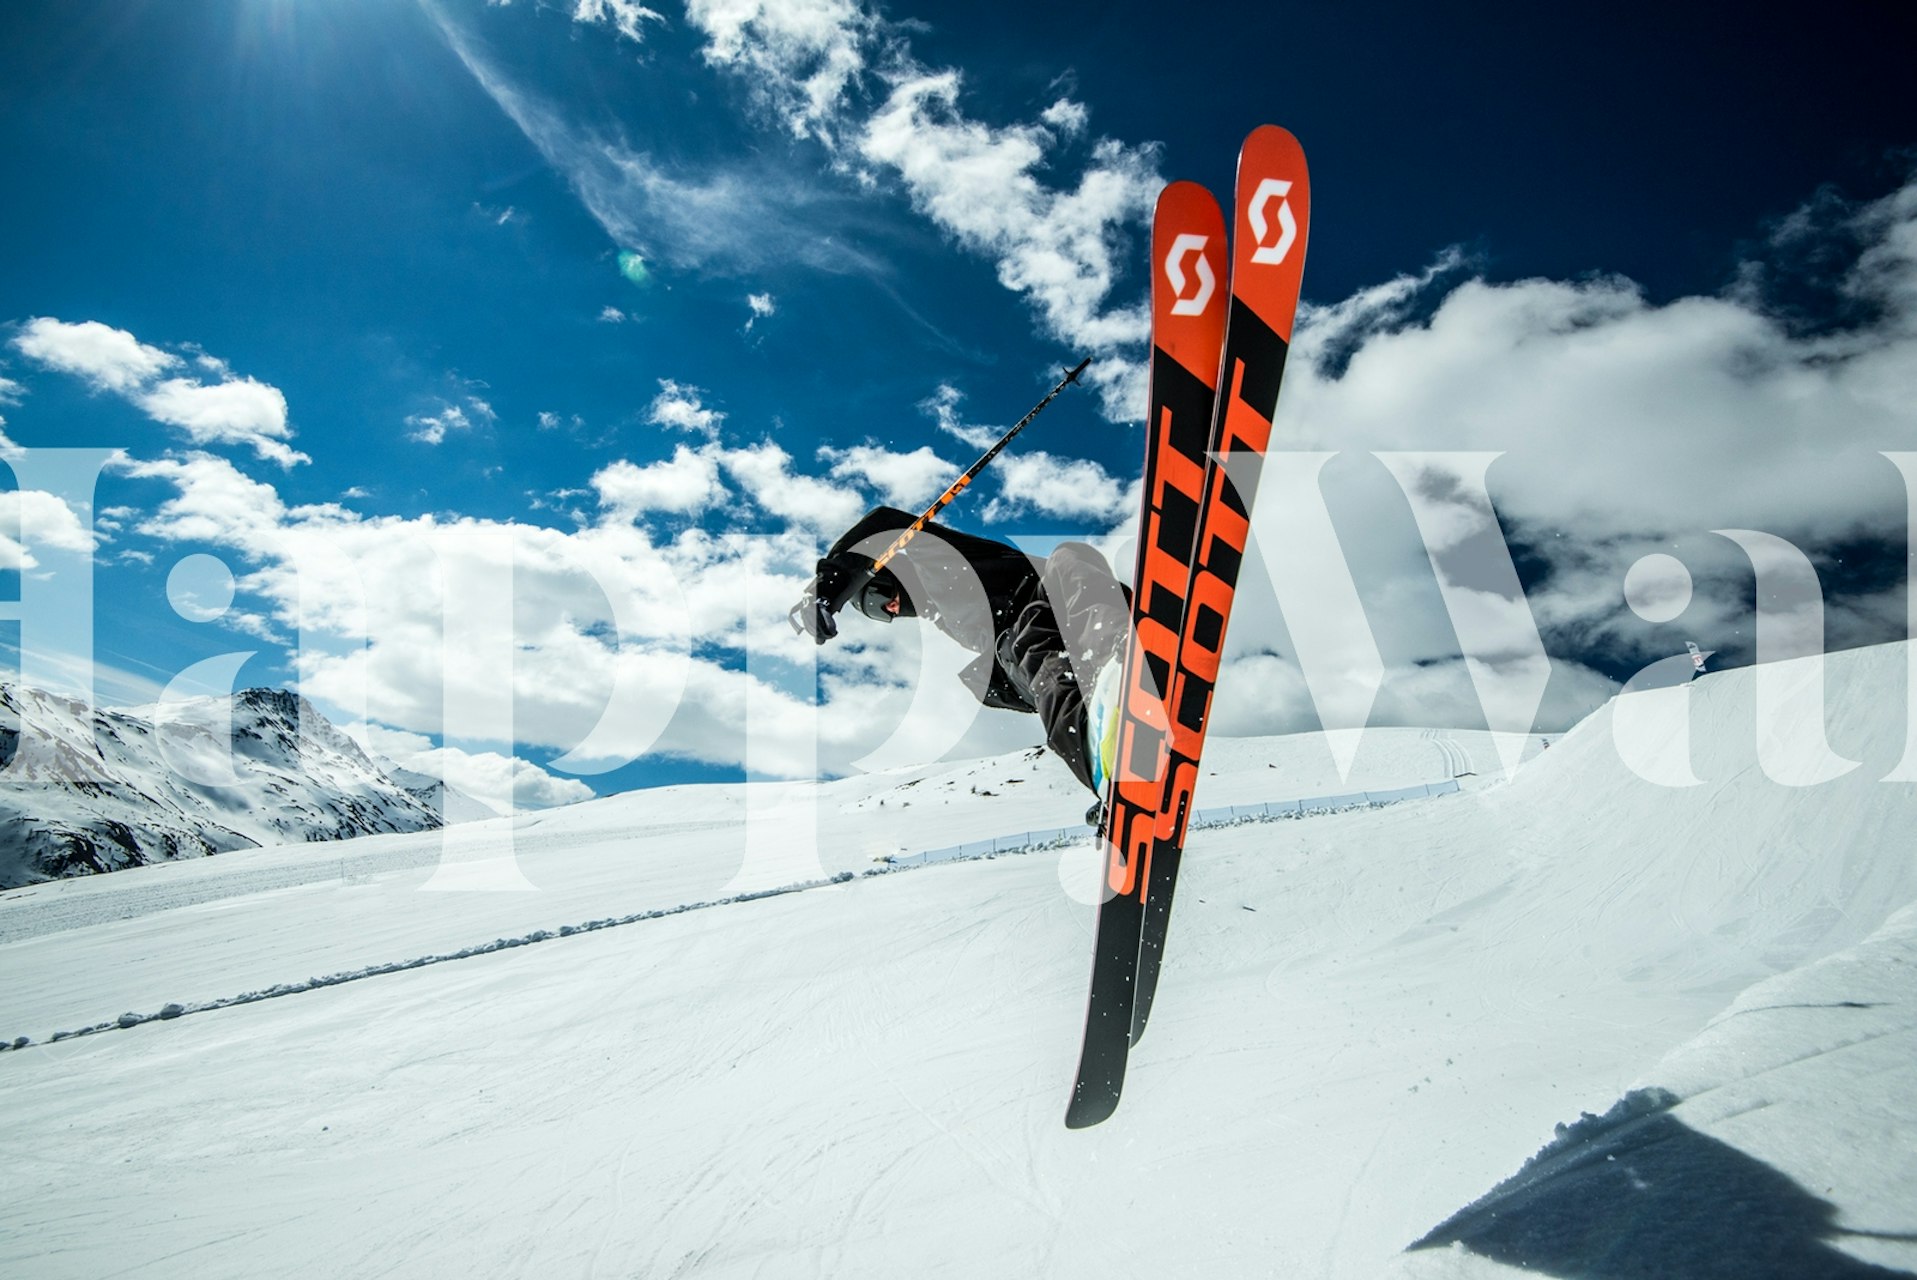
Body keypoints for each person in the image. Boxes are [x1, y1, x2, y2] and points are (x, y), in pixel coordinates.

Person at [793, 506, 1131, 797]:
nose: (891, 610)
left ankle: (1125, 648)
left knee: (1069, 556)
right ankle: (1101, 761)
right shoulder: (941, 616)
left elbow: (885, 522)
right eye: (880, 615)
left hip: (1058, 603)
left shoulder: (936, 558)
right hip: (1029, 648)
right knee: (1037, 655)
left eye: (878, 599)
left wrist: (830, 586)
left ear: (886, 574)